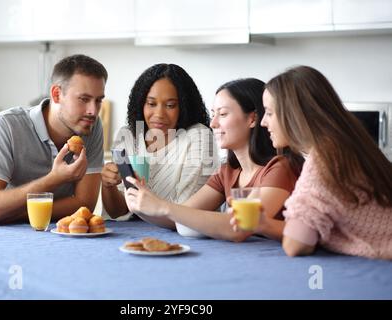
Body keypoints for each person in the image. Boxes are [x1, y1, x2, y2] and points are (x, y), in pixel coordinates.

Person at [124, 78, 302, 241]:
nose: (213, 123)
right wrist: (141, 204)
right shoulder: (227, 171)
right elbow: (180, 217)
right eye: (213, 114)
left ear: (252, 118)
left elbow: (240, 228)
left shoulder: (280, 168)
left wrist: (163, 206)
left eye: (223, 114)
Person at [258, 65, 392, 259]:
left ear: (294, 114)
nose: (264, 122)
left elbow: (296, 245)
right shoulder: (349, 144)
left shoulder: (324, 160)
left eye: (269, 113)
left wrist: (263, 224)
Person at [0, 54, 107, 225]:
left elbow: (84, 204)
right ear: (56, 94)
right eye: (84, 99)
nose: (93, 110)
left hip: (40, 230)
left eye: (98, 100)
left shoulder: (90, 125)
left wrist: (14, 214)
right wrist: (55, 178)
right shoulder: (5, 126)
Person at [101, 63, 219, 229]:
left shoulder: (197, 136)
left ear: (183, 107)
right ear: (141, 104)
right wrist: (108, 186)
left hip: (182, 236)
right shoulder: (128, 136)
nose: (159, 114)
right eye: (151, 104)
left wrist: (144, 202)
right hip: (131, 234)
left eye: (170, 105)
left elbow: (186, 215)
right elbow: (117, 212)